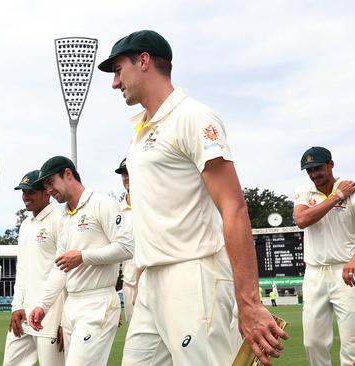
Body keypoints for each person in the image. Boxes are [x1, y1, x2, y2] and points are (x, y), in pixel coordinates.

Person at [98, 30, 287, 365]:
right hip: (151, 282)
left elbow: (234, 206)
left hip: (194, 276)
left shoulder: (193, 117)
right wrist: (144, 275)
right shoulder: (142, 131)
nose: (115, 83)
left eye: (118, 70)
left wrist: (249, 301)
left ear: (143, 61)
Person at [29, 156, 134, 366]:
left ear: (68, 174)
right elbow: (60, 267)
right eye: (45, 186)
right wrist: (43, 305)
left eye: (51, 183)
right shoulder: (63, 218)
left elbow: (126, 248)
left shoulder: (102, 204)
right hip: (72, 305)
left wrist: (83, 257)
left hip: (98, 302)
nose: (48, 190)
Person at [293, 146, 355, 366]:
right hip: (314, 274)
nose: (314, 174)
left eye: (318, 168)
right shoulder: (304, 193)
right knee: (313, 343)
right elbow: (302, 220)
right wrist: (337, 196)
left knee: (353, 346)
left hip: (346, 272)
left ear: (331, 165)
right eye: (309, 170)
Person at [3, 170, 65, 366]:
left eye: (30, 191)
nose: (25, 197)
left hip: (51, 316)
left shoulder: (59, 220)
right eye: (23, 192)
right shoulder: (25, 225)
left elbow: (66, 271)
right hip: (24, 315)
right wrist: (16, 306)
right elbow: (22, 269)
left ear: (47, 192)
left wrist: (64, 320)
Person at [114, 158, 137, 323]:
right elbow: (115, 252)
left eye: (130, 173)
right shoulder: (117, 212)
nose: (127, 178)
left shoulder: (156, 204)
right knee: (136, 342)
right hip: (130, 284)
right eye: (123, 174)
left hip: (158, 282)